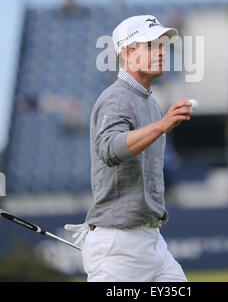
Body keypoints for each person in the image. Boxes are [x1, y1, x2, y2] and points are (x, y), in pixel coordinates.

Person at [66, 15, 192, 282]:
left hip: (152, 243)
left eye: (162, 45)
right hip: (119, 248)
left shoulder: (152, 104)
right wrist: (162, 126)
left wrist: (161, 123)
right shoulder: (115, 98)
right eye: (150, 46)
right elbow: (110, 149)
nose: (161, 52)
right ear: (127, 52)